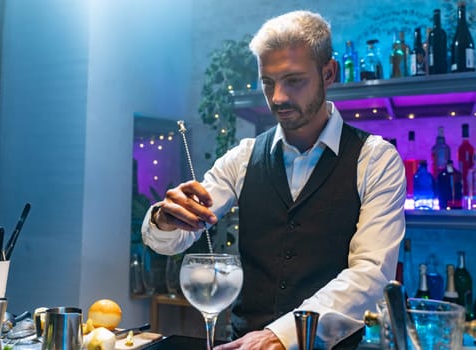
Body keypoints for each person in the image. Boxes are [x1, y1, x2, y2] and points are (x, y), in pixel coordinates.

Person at [141, 10, 405, 350]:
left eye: (294, 80)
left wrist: (279, 337)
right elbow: (170, 241)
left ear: (328, 73)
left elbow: (371, 274)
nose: (278, 97)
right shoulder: (243, 157)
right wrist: (166, 218)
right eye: (268, 82)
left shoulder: (376, 159)